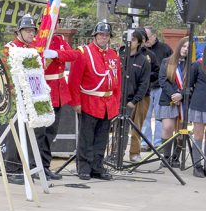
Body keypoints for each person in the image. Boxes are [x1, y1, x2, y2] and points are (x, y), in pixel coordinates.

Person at [68, 20, 121, 181]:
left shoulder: (114, 55)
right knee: (86, 137)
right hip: (89, 102)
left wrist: (116, 103)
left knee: (102, 138)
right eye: (101, 35)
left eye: (106, 35)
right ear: (95, 36)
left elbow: (117, 81)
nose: (104, 38)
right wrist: (76, 102)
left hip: (107, 103)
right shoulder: (84, 53)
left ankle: (97, 167)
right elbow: (73, 80)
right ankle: (83, 167)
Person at [1, 14, 38, 185]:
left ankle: (25, 166)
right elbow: (4, 71)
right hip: (15, 97)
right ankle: (12, 169)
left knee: (30, 133)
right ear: (19, 31)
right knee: (15, 134)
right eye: (28, 30)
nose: (31, 34)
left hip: (29, 97)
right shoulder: (10, 48)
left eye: (33, 31)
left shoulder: (32, 49)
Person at [40, 33, 81, 180]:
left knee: (51, 132)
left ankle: (44, 166)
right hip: (43, 90)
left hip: (58, 91)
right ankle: (39, 166)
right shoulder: (38, 40)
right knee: (41, 133)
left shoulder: (59, 39)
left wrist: (56, 53)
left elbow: (74, 55)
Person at [118, 28, 152, 163]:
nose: (129, 42)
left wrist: (135, 100)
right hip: (119, 99)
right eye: (127, 39)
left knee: (136, 127)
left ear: (138, 42)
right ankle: (117, 153)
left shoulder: (144, 60)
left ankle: (134, 153)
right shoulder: (118, 56)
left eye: (132, 40)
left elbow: (145, 83)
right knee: (119, 128)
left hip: (137, 100)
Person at [157, 37, 190, 167]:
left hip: (184, 101)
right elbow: (162, 80)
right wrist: (173, 95)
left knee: (181, 130)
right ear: (179, 47)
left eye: (188, 47)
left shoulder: (191, 65)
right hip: (168, 100)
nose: (185, 49)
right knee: (167, 127)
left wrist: (181, 95)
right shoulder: (167, 61)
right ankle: (165, 157)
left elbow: (191, 84)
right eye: (183, 46)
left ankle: (175, 157)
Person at [141, 27, 172, 150]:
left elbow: (172, 66)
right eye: (144, 38)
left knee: (160, 117)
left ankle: (159, 143)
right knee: (145, 117)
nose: (146, 40)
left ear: (154, 36)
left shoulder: (165, 49)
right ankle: (145, 143)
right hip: (145, 88)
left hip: (161, 88)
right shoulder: (141, 50)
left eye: (147, 37)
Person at [187, 50, 206, 177]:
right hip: (199, 104)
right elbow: (189, 84)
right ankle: (197, 166)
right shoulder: (197, 65)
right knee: (198, 136)